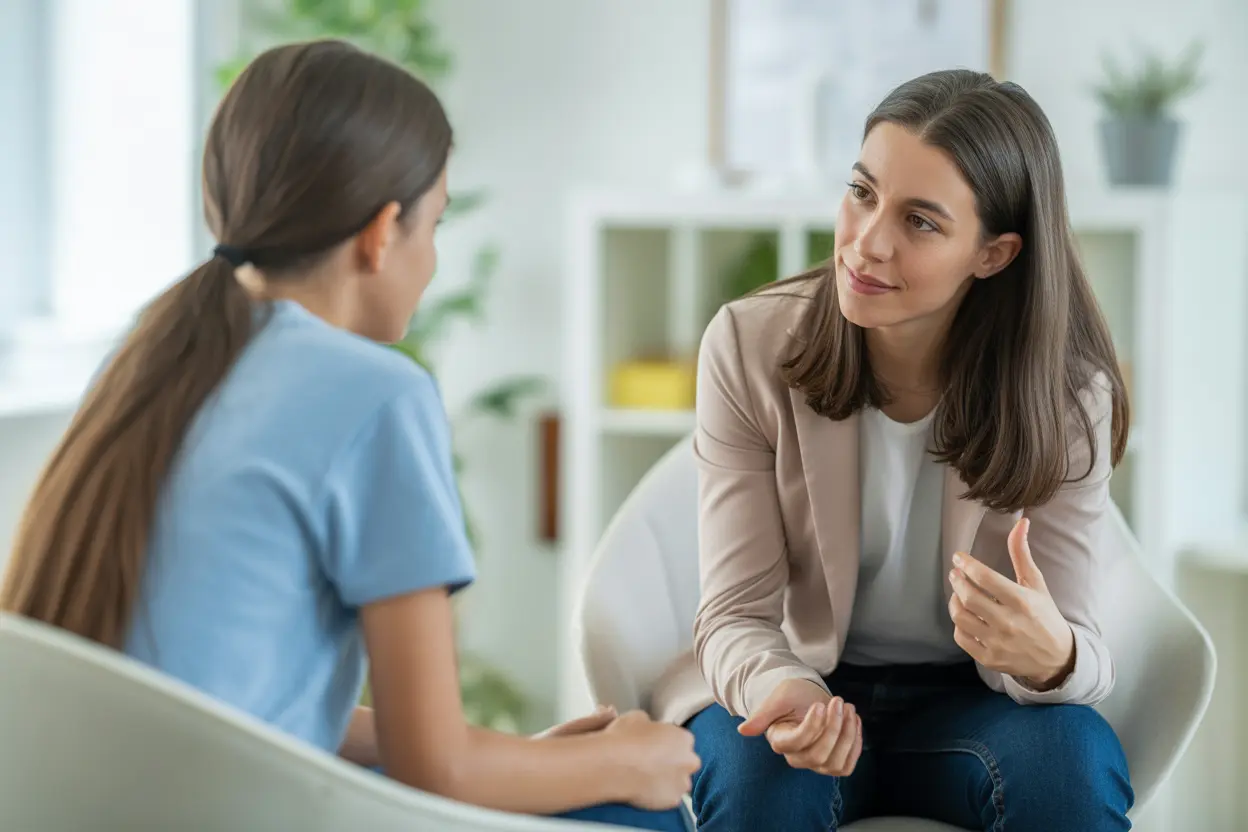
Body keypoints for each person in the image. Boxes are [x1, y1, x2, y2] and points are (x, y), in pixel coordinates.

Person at [0, 40, 696, 831]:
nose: (432, 260)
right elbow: (438, 771)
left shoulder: (149, 357)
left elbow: (233, 705)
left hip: (89, 804)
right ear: (382, 231)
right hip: (233, 810)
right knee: (645, 812)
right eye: (435, 224)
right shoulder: (377, 395)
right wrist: (631, 760)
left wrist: (516, 759)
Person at [647, 70, 1136, 831]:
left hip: (978, 704)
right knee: (759, 781)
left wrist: (1054, 657)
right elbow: (735, 614)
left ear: (994, 253)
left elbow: (1082, 645)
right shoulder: (749, 345)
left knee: (1068, 767)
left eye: (921, 222)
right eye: (862, 192)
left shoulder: (1067, 396)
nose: (867, 242)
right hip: (802, 673)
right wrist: (784, 692)